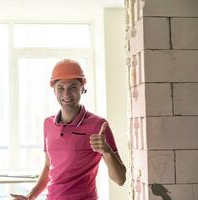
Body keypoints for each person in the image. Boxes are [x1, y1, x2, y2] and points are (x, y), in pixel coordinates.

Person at [11, 59, 126, 200]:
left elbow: (120, 179)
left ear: (82, 88)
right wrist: (30, 197)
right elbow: (49, 166)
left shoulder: (98, 125)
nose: (66, 94)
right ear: (54, 90)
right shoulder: (48, 123)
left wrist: (107, 151)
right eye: (61, 88)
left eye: (73, 87)